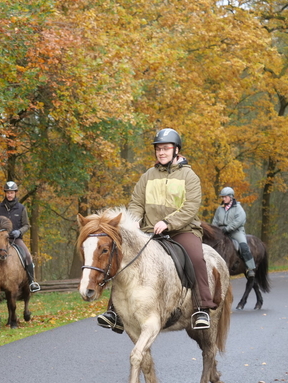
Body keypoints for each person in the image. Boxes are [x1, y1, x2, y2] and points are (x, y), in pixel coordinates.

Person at [97, 128, 217, 332]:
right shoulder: (148, 176)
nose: (161, 152)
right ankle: (115, 312)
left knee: (196, 258)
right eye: (158, 149)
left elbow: (190, 207)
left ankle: (201, 308)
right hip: (149, 231)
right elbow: (136, 202)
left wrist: (169, 222)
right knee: (122, 257)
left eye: (166, 148)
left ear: (176, 150)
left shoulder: (190, 176)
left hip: (182, 230)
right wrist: (133, 220)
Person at [0, 181, 41, 296]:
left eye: (11, 192)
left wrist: (19, 232)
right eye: (7, 193)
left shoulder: (21, 208)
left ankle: (32, 282)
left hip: (16, 238)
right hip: (1, 240)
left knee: (27, 255)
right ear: (5, 193)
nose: (9, 195)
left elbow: (27, 225)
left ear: (15, 193)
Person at [212, 186, 256, 278]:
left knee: (244, 246)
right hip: (221, 231)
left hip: (236, 232)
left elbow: (238, 221)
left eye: (225, 197)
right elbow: (215, 221)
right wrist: (215, 230)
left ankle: (250, 268)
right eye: (222, 197)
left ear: (231, 197)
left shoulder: (238, 208)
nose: (223, 199)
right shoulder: (219, 209)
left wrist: (227, 229)